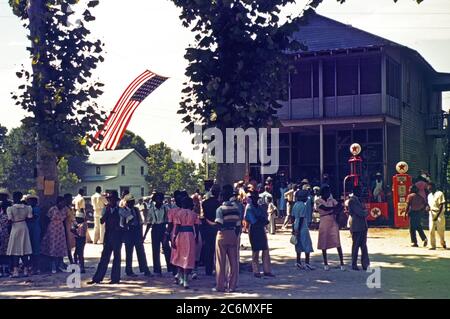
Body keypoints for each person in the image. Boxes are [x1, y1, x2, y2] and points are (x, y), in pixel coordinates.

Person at [88, 191, 124, 284]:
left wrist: (122, 227)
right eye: (109, 199)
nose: (110, 201)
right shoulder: (105, 209)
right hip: (108, 235)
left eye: (112, 199)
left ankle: (115, 279)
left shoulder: (121, 210)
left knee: (116, 257)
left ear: (116, 200)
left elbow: (129, 218)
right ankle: (97, 278)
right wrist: (107, 213)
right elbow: (102, 221)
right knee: (104, 257)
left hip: (117, 235)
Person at [214, 185, 242, 293]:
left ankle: (220, 286)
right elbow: (238, 225)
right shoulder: (236, 209)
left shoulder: (220, 209)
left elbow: (219, 224)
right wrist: (234, 234)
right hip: (233, 234)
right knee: (233, 262)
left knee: (220, 262)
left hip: (222, 235)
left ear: (222, 197)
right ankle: (232, 286)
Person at [171, 196, 200, 289]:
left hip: (180, 235)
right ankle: (186, 279)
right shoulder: (194, 214)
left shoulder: (178, 213)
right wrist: (196, 238)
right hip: (190, 235)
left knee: (180, 256)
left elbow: (177, 227)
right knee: (189, 256)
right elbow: (197, 227)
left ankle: (181, 278)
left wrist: (174, 237)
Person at [315, 185, 345, 271]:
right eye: (327, 192)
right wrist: (334, 209)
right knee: (324, 242)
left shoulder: (332, 200)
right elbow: (324, 208)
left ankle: (342, 262)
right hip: (324, 221)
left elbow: (340, 206)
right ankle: (325, 263)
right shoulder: (318, 201)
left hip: (332, 221)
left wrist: (336, 210)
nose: (328, 194)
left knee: (337, 241)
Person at [121, 194, 152, 277]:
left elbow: (140, 222)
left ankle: (145, 269)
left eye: (133, 201)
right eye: (130, 202)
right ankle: (129, 270)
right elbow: (122, 224)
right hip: (128, 232)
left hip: (137, 232)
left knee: (141, 252)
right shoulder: (123, 210)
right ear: (127, 202)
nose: (132, 203)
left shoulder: (136, 209)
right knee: (129, 253)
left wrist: (141, 235)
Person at [245, 191, 274, 278]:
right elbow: (254, 221)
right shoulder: (249, 208)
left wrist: (261, 220)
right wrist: (261, 220)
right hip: (254, 230)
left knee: (265, 250)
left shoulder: (260, 207)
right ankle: (256, 271)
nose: (255, 200)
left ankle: (267, 270)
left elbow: (265, 219)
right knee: (255, 251)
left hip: (261, 229)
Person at [7, 192, 33, 277]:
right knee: (24, 249)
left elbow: (9, 220)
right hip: (24, 226)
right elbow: (30, 218)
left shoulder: (10, 208)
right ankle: (26, 270)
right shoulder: (27, 208)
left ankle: (15, 271)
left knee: (15, 250)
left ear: (13, 198)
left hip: (15, 227)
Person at [146, 192, 173, 276]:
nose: (159, 200)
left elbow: (169, 221)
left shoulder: (166, 208)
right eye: (157, 198)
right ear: (155, 199)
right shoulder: (151, 209)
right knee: (155, 249)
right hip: (155, 229)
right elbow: (149, 222)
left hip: (163, 228)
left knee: (166, 248)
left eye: (160, 198)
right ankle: (157, 270)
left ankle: (170, 267)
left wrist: (168, 232)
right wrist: (144, 235)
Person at [40, 196, 68, 274]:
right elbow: (47, 218)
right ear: (59, 202)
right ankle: (52, 266)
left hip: (60, 229)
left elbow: (65, 219)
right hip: (52, 228)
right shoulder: (53, 209)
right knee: (52, 246)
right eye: (62, 202)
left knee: (60, 247)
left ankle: (59, 265)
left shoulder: (65, 209)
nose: (63, 204)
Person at [348, 186, 370, 271]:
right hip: (356, 225)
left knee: (363, 246)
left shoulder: (357, 200)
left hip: (362, 225)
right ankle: (354, 264)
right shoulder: (353, 200)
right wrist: (366, 212)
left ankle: (365, 264)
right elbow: (360, 212)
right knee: (356, 245)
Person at [201, 184, 221, 276]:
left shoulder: (205, 203)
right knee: (218, 250)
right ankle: (218, 268)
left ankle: (208, 270)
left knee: (208, 249)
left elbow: (204, 216)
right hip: (217, 227)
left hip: (207, 228)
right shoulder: (219, 204)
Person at [292, 190, 314, 270]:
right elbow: (302, 218)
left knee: (298, 244)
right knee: (306, 243)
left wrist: (294, 228)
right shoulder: (303, 206)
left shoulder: (295, 205)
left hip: (295, 223)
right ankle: (307, 263)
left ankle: (298, 261)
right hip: (302, 226)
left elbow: (293, 217)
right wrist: (299, 228)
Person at [427, 183, 446, 250]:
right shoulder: (429, 195)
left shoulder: (440, 194)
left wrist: (436, 216)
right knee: (431, 229)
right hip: (431, 213)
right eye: (428, 187)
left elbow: (441, 206)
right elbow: (429, 205)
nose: (428, 188)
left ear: (434, 187)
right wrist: (428, 208)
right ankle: (432, 245)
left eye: (430, 187)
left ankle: (442, 242)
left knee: (440, 230)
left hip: (439, 214)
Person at [25, 195, 41, 275]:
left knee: (35, 249)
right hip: (28, 230)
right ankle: (30, 266)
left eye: (31, 201)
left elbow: (33, 218)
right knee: (29, 248)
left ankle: (36, 267)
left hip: (35, 230)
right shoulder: (28, 208)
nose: (29, 202)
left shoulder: (36, 209)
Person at [0, 189, 12, 277]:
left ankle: (7, 269)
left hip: (7, 234)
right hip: (4, 233)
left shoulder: (10, 209)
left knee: (7, 252)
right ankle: (4, 269)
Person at [64, 193, 76, 265]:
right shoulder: (65, 208)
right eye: (70, 198)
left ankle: (73, 260)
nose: (71, 200)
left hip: (70, 226)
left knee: (70, 244)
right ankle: (71, 261)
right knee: (67, 245)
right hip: (66, 226)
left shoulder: (69, 207)